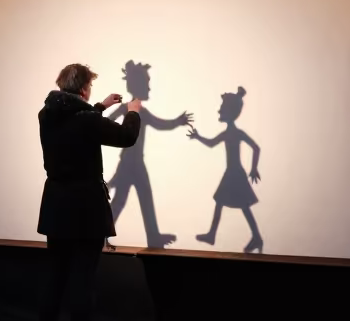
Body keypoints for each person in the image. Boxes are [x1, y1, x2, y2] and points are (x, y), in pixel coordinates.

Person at [37, 62, 141, 321]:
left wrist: (101, 106)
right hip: (84, 207)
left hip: (55, 205)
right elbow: (126, 136)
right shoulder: (84, 120)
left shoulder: (48, 114)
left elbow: (77, 120)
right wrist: (133, 111)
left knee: (54, 279)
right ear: (84, 89)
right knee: (82, 282)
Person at [107, 61, 192, 247]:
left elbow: (159, 123)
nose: (149, 87)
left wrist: (177, 122)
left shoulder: (138, 109)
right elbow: (106, 123)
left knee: (140, 198)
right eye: (146, 83)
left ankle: (152, 235)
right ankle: (102, 236)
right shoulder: (129, 108)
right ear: (137, 84)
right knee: (125, 200)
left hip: (136, 163)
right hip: (130, 164)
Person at [187, 86, 263, 253]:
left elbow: (256, 148)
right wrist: (198, 137)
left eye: (222, 109)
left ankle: (254, 237)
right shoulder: (229, 133)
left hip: (235, 174)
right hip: (232, 173)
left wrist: (254, 169)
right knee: (224, 203)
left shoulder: (234, 133)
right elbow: (212, 143)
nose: (219, 111)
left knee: (236, 205)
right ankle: (215, 234)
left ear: (229, 112)